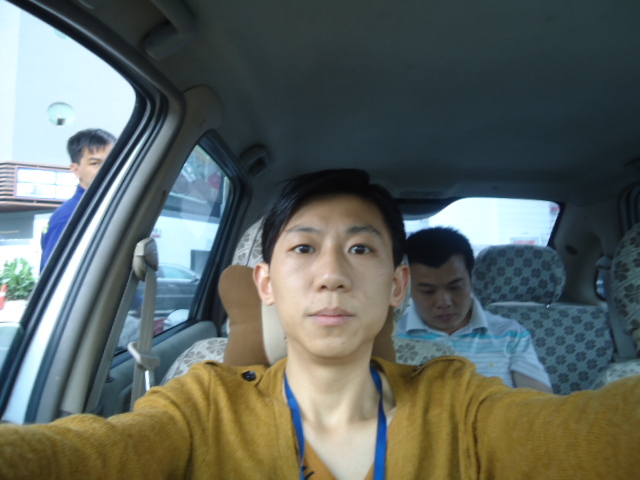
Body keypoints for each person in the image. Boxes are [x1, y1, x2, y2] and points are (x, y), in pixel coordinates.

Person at [1, 169, 639, 479]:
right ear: (266, 285)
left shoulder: (459, 402)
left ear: (395, 287)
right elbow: (83, 456)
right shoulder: (204, 405)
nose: (332, 274)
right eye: (304, 248)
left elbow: (591, 434)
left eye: (360, 248)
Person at [396, 227, 553, 392]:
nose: (444, 302)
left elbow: (540, 401)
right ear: (407, 286)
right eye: (428, 291)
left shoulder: (510, 335)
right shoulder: (392, 338)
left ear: (471, 279)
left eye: (456, 287)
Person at [40, 128, 116, 271]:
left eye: (112, 161)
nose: (107, 169)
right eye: (95, 163)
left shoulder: (110, 206)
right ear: (76, 170)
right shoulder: (70, 216)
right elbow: (56, 273)